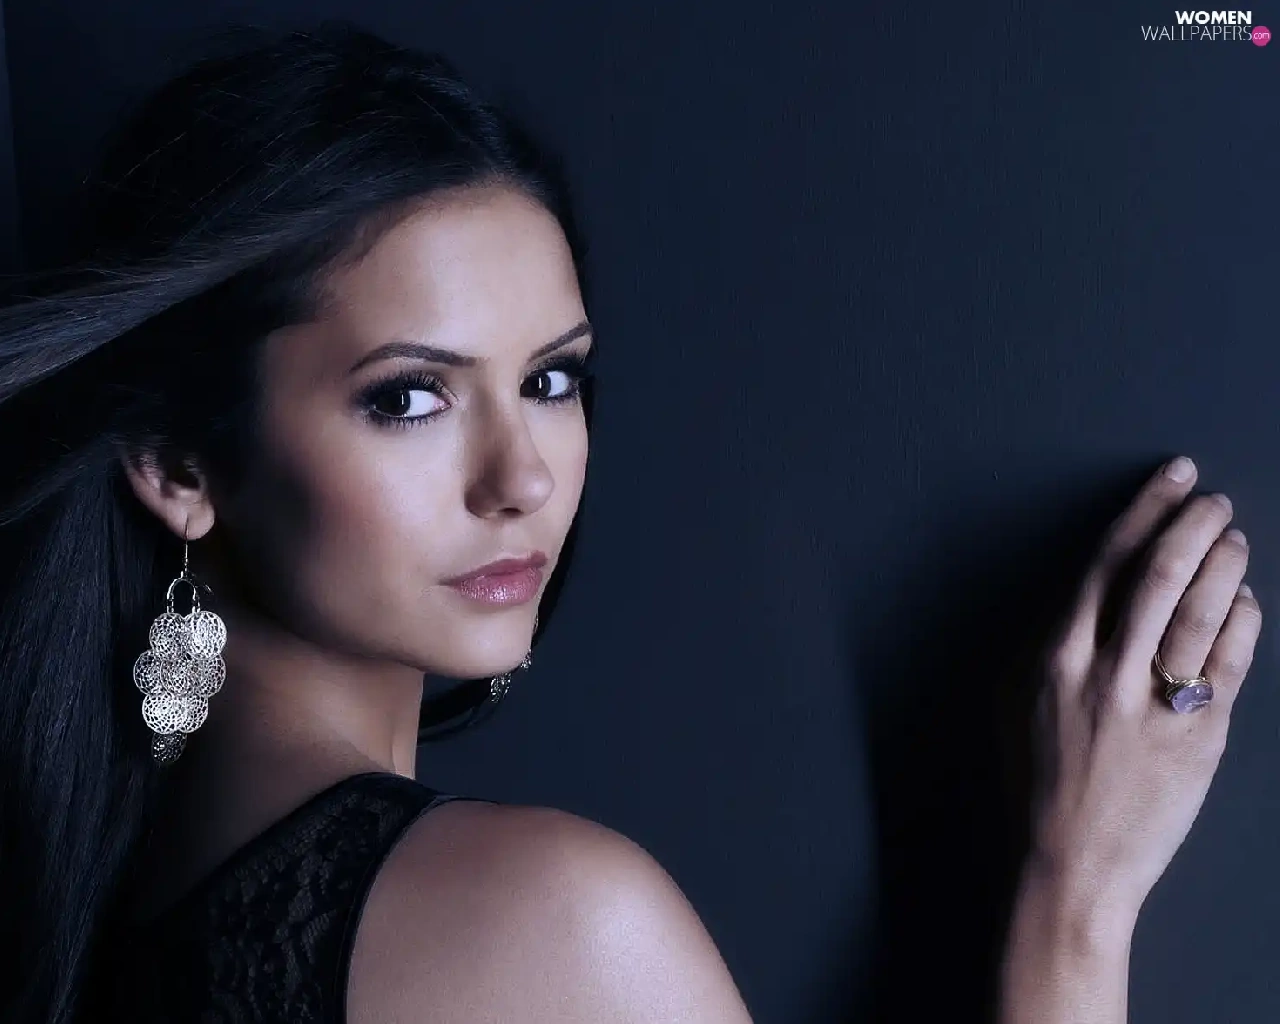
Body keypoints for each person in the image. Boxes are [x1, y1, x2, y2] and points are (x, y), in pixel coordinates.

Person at [0, 22, 1260, 1024]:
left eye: (551, 379)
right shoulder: (544, 920)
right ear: (176, 462)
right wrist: (1076, 900)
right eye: (409, 397)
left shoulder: (114, 910)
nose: (522, 477)